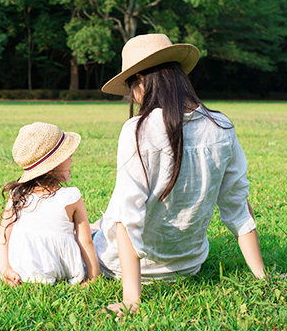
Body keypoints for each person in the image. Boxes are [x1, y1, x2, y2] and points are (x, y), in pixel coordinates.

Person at [93, 34, 265, 315]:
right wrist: (262, 275)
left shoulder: (138, 130)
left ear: (141, 81)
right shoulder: (222, 126)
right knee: (101, 222)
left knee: (79, 230)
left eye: (129, 87)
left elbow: (127, 219)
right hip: (189, 265)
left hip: (122, 266)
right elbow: (238, 206)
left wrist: (131, 300)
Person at [0, 122, 100, 285]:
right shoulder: (71, 197)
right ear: (52, 166)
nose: (72, 159)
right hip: (65, 268)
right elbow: (85, 241)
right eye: (68, 156)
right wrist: (93, 277)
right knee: (80, 233)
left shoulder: (17, 195)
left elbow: (4, 235)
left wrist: (6, 268)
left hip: (22, 270)